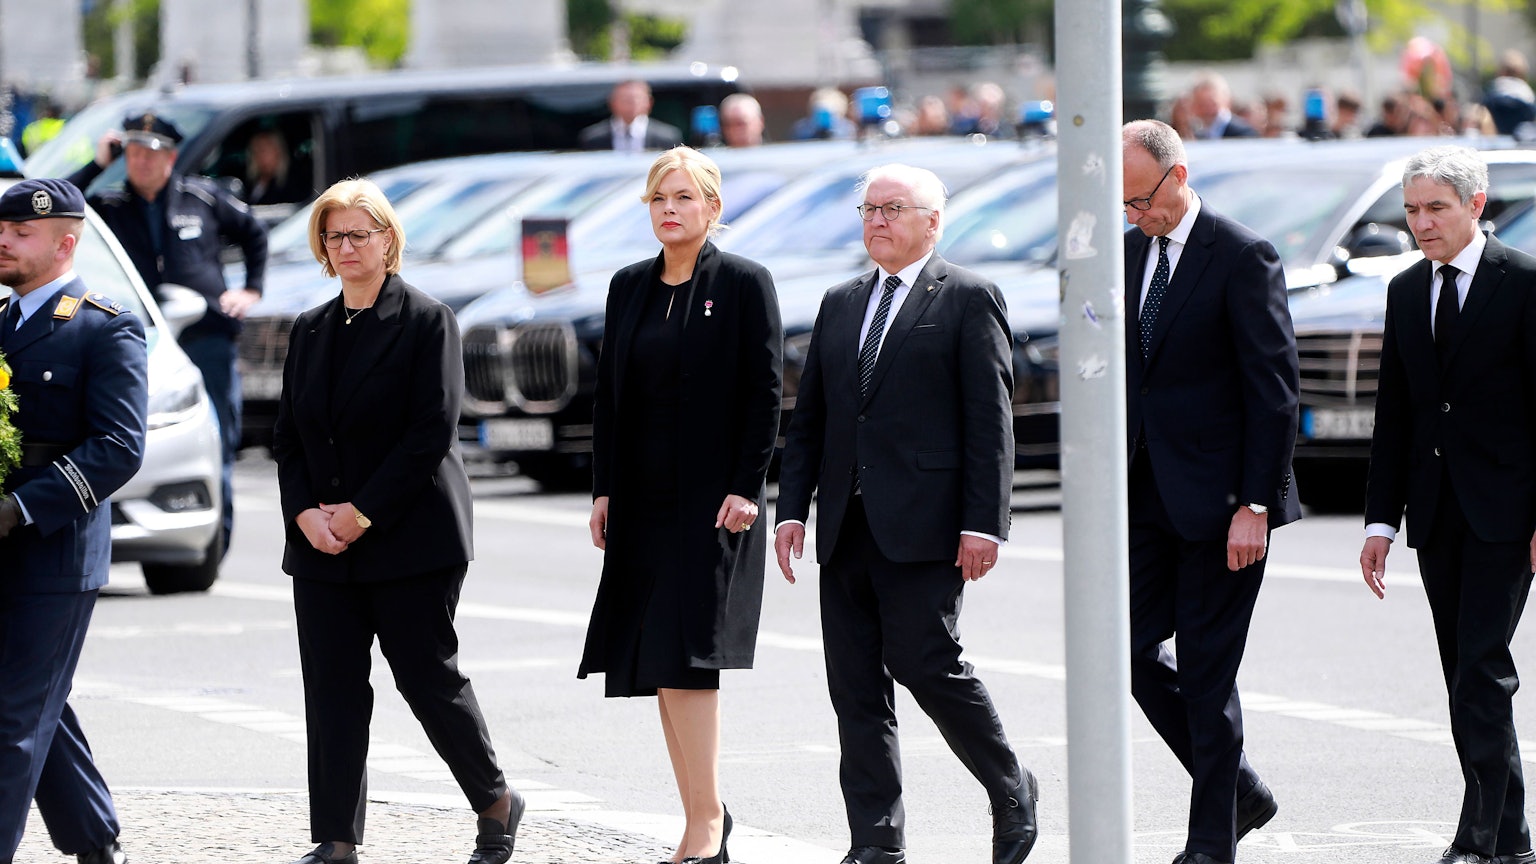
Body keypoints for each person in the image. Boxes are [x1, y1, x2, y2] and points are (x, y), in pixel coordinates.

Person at [774, 163, 1038, 864]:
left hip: (928, 524)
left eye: (893, 209)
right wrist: (791, 511)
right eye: (868, 210)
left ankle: (1012, 787)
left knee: (928, 665)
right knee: (855, 688)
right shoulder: (840, 301)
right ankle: (876, 841)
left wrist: (985, 521)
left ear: (932, 221)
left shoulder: (969, 297)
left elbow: (991, 421)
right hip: (846, 528)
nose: (878, 222)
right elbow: (814, 421)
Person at [271, 179, 522, 864]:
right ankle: (337, 837)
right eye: (334, 235)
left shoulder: (425, 320)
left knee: (425, 676)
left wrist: (360, 513)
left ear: (388, 240)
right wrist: (305, 516)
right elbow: (289, 436)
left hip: (412, 534)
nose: (346, 246)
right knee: (332, 688)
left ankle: (495, 800)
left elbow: (431, 431)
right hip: (322, 541)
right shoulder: (313, 327)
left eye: (359, 234)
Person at [580, 146, 782, 864]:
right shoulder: (628, 286)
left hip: (713, 503)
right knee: (658, 657)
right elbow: (609, 398)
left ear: (712, 208)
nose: (670, 209)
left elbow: (763, 396)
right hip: (640, 500)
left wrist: (746, 485)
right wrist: (603, 488)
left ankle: (704, 825)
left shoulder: (743, 283)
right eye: (660, 198)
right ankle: (705, 814)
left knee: (690, 655)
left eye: (684, 198)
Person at [1121, 119, 1300, 864]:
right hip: (1142, 498)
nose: (1138, 215)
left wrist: (1255, 503)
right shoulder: (1126, 254)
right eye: (1126, 205)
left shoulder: (1241, 254)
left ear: (1179, 175)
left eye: (1144, 200)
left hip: (1226, 503)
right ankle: (1240, 790)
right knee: (1126, 658)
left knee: (1205, 669)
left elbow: (1274, 392)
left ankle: (1210, 844)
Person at [1360, 145, 1536, 864]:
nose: (1421, 223)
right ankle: (1516, 837)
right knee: (1463, 670)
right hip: (1437, 511)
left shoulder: (1523, 283)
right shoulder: (1406, 290)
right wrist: (1380, 520)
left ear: (1475, 206)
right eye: (1411, 210)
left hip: (1507, 512)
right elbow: (1395, 413)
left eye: (1436, 208)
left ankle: (1481, 836)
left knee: (1481, 670)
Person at [0, 178, 149, 864]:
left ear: (65, 243)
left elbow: (119, 447)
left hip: (55, 551)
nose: (3, 240)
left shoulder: (104, 322)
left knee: (11, 719)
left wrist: (24, 506)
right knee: (36, 701)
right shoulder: (2, 323)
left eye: (20, 233)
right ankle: (95, 840)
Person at [67, 112, 267, 565]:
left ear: (171, 157)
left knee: (216, 436)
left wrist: (251, 289)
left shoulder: (201, 197)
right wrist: (99, 164)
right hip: (140, 335)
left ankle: (211, 549)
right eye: (133, 153)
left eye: (150, 153)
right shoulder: (112, 205)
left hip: (206, 336)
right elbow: (55, 205)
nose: (140, 162)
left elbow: (254, 233)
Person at [577, 80, 684, 153]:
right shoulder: (592, 138)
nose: (631, 104)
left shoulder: (667, 137)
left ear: (649, 103)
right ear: (612, 103)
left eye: (636, 99)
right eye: (625, 99)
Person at [1188, 73, 1259, 139]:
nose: (1207, 110)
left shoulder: (1244, 134)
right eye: (1202, 105)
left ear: (1227, 101)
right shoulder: (1197, 135)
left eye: (1213, 104)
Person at [243, 127, 302, 206]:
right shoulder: (249, 184)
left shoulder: (289, 186)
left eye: (264, 151)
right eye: (255, 151)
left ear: (278, 152)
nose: (259, 156)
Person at [1483, 50, 1536, 136]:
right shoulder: (1527, 93)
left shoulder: (1494, 88)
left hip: (1496, 138)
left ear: (1502, 72)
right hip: (1522, 140)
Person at [790, 87, 857, 140]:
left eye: (832, 114)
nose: (824, 116)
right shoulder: (802, 128)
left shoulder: (848, 128)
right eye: (818, 111)